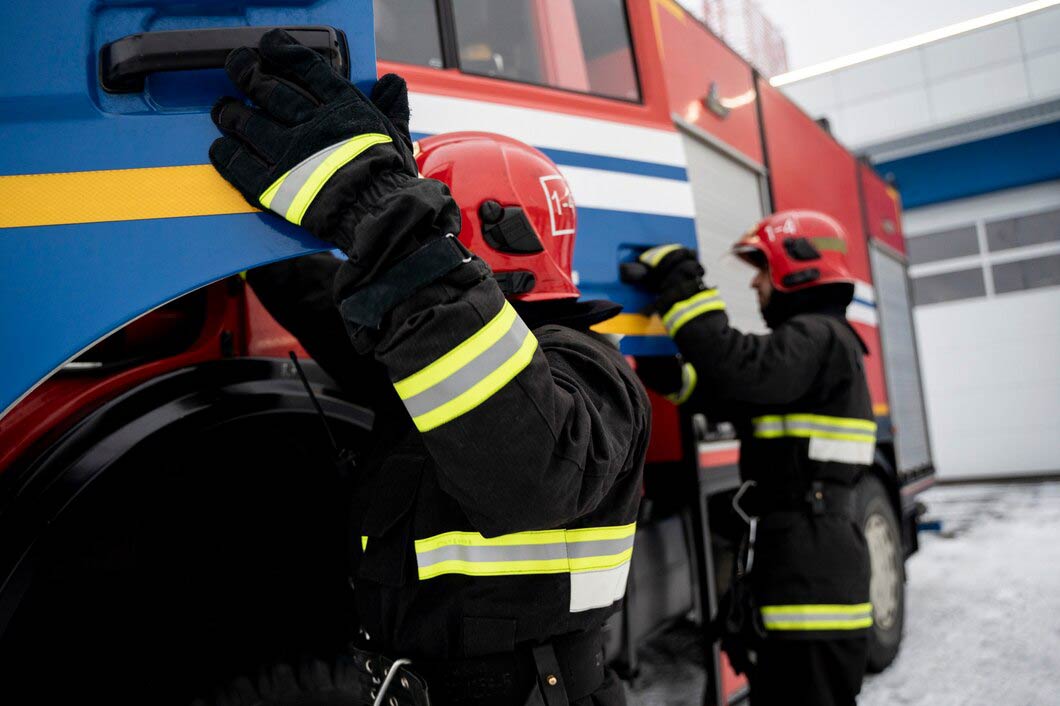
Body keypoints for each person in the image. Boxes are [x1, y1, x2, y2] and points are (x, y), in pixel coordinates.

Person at [205, 30, 649, 706]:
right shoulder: (431, 359)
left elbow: (526, 472)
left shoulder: (588, 367)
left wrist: (382, 203)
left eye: (434, 229)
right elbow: (324, 300)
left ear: (491, 240)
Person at [628, 212, 874, 706]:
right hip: (804, 555)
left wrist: (682, 281)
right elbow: (727, 392)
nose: (757, 284)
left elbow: (739, 369)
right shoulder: (809, 351)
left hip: (813, 567)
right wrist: (660, 367)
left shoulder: (819, 336)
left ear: (797, 268)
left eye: (762, 270)